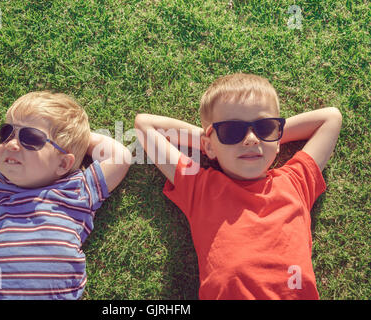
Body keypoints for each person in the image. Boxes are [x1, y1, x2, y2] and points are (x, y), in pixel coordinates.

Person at [134, 73, 342, 299]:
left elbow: (330, 118)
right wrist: (213, 143)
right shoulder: (201, 188)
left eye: (264, 128)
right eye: (231, 131)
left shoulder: (295, 181)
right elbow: (145, 125)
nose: (252, 139)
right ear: (208, 146)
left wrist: (268, 139)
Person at [0, 91, 131, 299]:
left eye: (30, 138)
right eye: (6, 133)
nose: (12, 144)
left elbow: (120, 156)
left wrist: (79, 140)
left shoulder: (77, 190)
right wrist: (18, 137)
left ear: (63, 163)